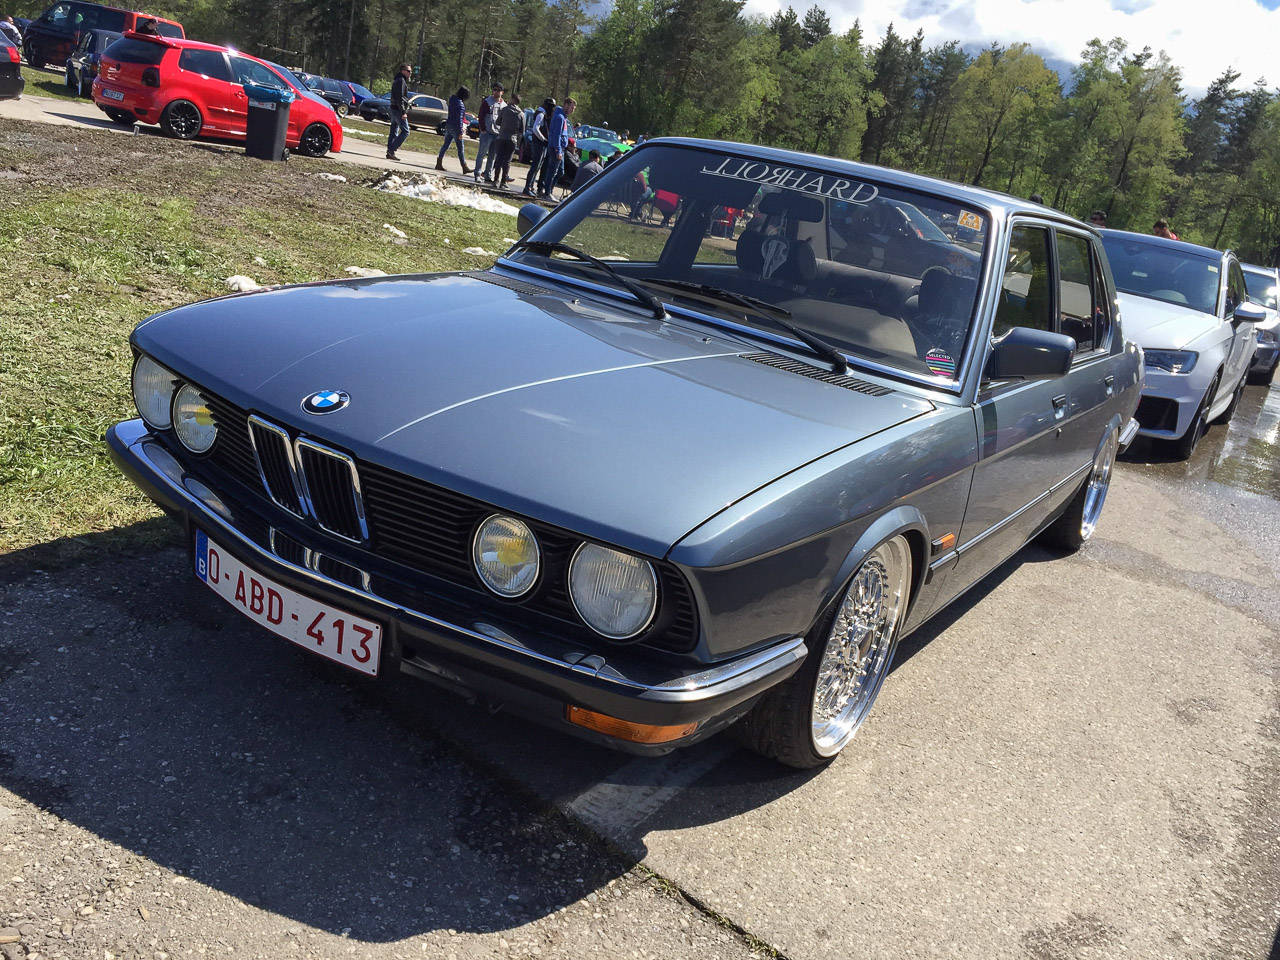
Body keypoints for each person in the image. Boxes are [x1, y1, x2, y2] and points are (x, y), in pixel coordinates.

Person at [539, 96, 576, 199]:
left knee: (560, 172)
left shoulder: (563, 117)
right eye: (572, 108)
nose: (572, 110)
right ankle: (547, 192)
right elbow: (557, 135)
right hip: (556, 148)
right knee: (553, 171)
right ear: (566, 105)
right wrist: (558, 150)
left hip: (562, 149)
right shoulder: (559, 117)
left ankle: (549, 190)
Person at [435, 85, 472, 175]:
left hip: (448, 124)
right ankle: (464, 166)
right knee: (460, 147)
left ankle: (439, 162)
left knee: (446, 145)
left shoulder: (452, 100)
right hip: (455, 127)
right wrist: (460, 132)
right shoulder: (460, 105)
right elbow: (459, 119)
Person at [522, 98, 554, 197]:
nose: (552, 108)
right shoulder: (541, 114)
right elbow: (535, 128)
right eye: (551, 106)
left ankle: (530, 187)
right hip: (538, 144)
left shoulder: (543, 114)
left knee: (537, 166)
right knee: (535, 166)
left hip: (541, 144)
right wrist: (543, 138)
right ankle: (527, 187)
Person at [474, 82, 504, 183]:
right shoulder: (487, 102)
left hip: (497, 134)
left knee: (492, 156)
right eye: (494, 90)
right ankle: (477, 174)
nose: (496, 92)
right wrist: (482, 129)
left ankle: (488, 175)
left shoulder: (504, 105)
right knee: (481, 154)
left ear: (502, 92)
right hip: (487, 133)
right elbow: (481, 116)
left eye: (498, 90)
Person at [492, 94, 524, 189]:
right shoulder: (521, 114)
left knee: (499, 159)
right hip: (512, 139)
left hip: (502, 137)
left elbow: (497, 122)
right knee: (507, 161)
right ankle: (503, 181)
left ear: (512, 99)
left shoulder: (505, 110)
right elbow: (522, 130)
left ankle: (495, 180)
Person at [385, 63, 411, 162]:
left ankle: (390, 152)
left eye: (410, 71)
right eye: (408, 71)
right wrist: (403, 111)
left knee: (394, 131)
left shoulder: (397, 80)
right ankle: (391, 149)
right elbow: (400, 97)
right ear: (403, 71)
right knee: (406, 131)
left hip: (393, 108)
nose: (410, 73)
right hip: (397, 110)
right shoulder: (401, 81)